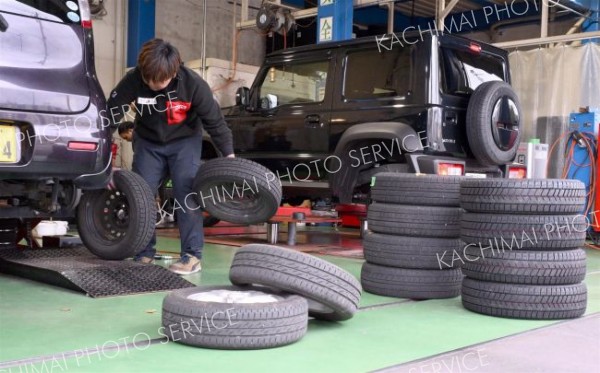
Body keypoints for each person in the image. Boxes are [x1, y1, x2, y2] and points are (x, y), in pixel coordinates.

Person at [107, 38, 234, 275]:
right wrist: (102, 151)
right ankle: (144, 253)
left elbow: (215, 123)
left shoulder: (194, 85)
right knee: (141, 195)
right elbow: (110, 115)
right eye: (149, 80)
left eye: (161, 80)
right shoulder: (133, 80)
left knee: (186, 193)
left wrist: (229, 157)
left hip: (184, 143)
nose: (154, 85)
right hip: (148, 143)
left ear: (174, 71)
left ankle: (191, 255)